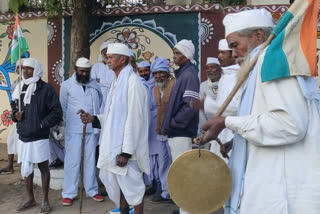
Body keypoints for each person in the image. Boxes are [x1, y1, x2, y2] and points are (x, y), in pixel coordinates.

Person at [198, 9, 320, 214]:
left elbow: (290, 124)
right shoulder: (261, 65)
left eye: (235, 45)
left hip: (281, 192)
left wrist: (227, 122)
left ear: (258, 36)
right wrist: (241, 142)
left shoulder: (271, 61)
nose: (233, 53)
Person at [79, 43, 150, 214]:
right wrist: (94, 119)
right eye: (107, 57)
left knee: (134, 190)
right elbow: (113, 117)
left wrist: (126, 152)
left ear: (123, 59)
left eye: (111, 57)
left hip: (127, 150)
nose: (107, 60)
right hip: (115, 145)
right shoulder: (117, 82)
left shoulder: (134, 83)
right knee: (122, 188)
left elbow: (135, 120)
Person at [11, 58, 63, 213]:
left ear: (36, 70)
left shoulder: (46, 89)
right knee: (27, 167)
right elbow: (13, 106)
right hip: (24, 135)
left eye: (29, 68)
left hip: (39, 136)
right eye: (23, 69)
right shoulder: (19, 87)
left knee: (42, 166)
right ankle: (30, 198)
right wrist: (16, 115)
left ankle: (45, 200)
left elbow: (56, 112)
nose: (25, 71)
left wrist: (42, 124)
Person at [162, 40, 200, 214]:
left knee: (183, 173)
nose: (174, 56)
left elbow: (190, 106)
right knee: (179, 173)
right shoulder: (183, 74)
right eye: (174, 52)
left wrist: (173, 123)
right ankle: (184, 209)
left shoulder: (189, 75)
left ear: (186, 55)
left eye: (177, 53)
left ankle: (187, 210)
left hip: (181, 132)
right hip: (177, 132)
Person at [60, 57, 104, 206]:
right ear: (76, 70)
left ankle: (92, 190)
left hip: (91, 129)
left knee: (90, 160)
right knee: (72, 161)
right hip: (73, 129)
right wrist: (71, 122)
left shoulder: (94, 85)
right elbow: (63, 107)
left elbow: (100, 102)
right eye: (81, 71)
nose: (84, 74)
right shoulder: (67, 85)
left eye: (86, 71)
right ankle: (69, 193)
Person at [150, 57, 174, 203]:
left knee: (174, 161)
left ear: (166, 73)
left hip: (173, 131)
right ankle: (166, 191)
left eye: (161, 73)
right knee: (163, 162)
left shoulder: (174, 85)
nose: (158, 76)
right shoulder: (155, 89)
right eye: (156, 73)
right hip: (160, 132)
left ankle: (175, 191)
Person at [0, 59, 23, 175]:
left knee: (23, 141)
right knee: (11, 139)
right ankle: (10, 166)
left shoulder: (32, 83)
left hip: (27, 117)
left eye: (22, 67)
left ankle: (24, 166)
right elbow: (13, 100)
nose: (20, 70)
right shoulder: (15, 83)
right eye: (18, 67)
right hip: (17, 117)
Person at [91, 41, 115, 112]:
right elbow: (92, 81)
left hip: (112, 95)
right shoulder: (96, 66)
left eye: (107, 51)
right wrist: (106, 83)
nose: (105, 53)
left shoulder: (115, 66)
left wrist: (100, 81)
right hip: (99, 95)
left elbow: (113, 83)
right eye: (104, 51)